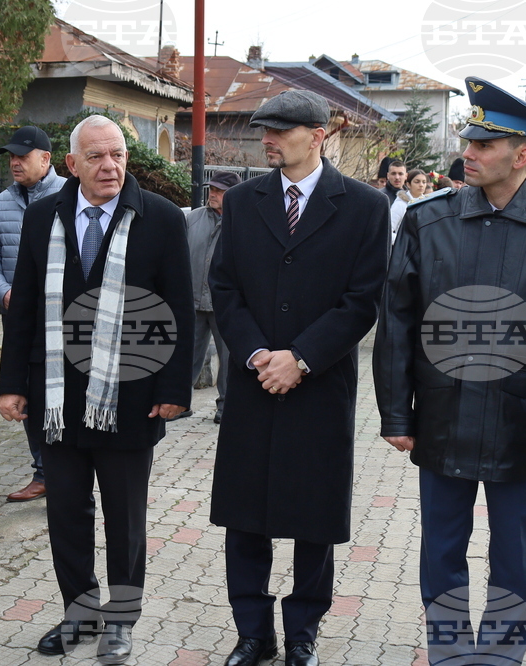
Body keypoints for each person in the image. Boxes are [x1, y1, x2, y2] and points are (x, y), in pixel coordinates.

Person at [373, 77, 526, 665]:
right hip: (443, 416)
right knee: (442, 551)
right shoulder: (427, 221)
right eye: (468, 142)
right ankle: (451, 656)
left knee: (515, 556)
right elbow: (397, 321)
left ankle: (499, 658)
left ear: (521, 156)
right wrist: (396, 412)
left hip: (525, 424)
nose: (467, 153)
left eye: (482, 145)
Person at [0, 114, 193, 664]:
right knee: (66, 514)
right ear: (72, 164)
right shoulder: (43, 218)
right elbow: (24, 306)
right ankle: (79, 613)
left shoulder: (158, 217)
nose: (110, 166)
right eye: (97, 156)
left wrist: (174, 388)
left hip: (131, 395)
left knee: (124, 517)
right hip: (56, 397)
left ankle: (121, 619)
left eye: (118, 155)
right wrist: (11, 383)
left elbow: (178, 308)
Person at [209, 90, 389, 666]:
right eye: (264, 129)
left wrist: (302, 357)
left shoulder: (364, 206)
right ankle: (252, 632)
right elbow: (224, 287)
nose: (268, 139)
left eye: (281, 131)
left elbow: (363, 300)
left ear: (318, 136)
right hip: (254, 381)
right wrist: (258, 353)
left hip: (319, 385)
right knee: (245, 516)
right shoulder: (243, 201)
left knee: (314, 517)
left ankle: (302, 633)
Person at [0, 125, 67, 503]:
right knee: (23, 391)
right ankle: (43, 472)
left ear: (46, 158)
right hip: (15, 316)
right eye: (11, 157)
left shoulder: (70, 195)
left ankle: (66, 470)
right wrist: (4, 292)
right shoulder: (1, 203)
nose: (15, 163)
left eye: (23, 156)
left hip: (58, 316)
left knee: (58, 389)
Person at [186, 170, 240, 424]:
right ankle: (178, 402)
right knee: (186, 355)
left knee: (229, 359)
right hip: (192, 300)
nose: (213, 194)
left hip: (225, 305)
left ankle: (227, 406)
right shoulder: (192, 218)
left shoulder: (243, 221)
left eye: (219, 191)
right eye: (212, 189)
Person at [390, 168, 429, 244]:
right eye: (417, 182)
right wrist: (404, 243)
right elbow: (387, 230)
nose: (421, 185)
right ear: (408, 184)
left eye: (424, 182)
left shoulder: (427, 204)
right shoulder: (400, 205)